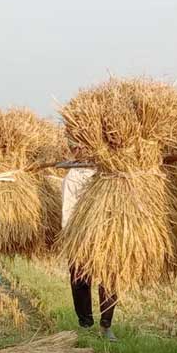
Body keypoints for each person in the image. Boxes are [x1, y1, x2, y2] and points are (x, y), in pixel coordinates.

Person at [61, 146, 118, 342]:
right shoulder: (73, 176)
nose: (82, 150)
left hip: (108, 233)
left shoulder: (111, 171)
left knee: (110, 280)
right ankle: (85, 323)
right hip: (80, 235)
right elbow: (67, 212)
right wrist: (73, 241)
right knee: (80, 279)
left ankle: (106, 325)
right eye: (78, 147)